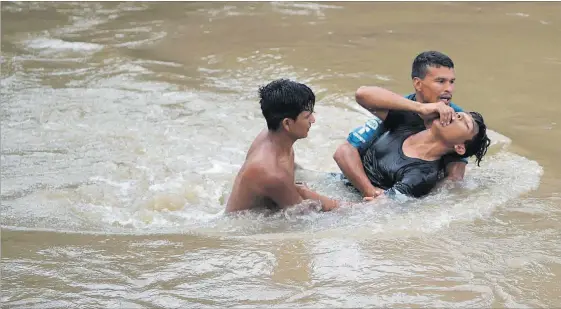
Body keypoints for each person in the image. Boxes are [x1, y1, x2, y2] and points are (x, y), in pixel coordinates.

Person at [334, 51, 470, 197]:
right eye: (441, 81)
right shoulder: (397, 109)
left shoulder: (455, 119)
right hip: (358, 185)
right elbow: (344, 152)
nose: (448, 89)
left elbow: (454, 179)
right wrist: (370, 192)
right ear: (418, 83)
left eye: (452, 82)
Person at [225, 79, 341, 213]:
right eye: (307, 116)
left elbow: (291, 171)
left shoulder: (272, 136)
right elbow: (306, 214)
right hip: (245, 224)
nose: (313, 120)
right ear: (287, 124)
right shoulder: (272, 174)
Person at [348, 111, 491, 200]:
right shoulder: (410, 122)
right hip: (339, 178)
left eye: (465, 123)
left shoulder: (421, 176)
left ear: (460, 147)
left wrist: (328, 204)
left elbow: (375, 208)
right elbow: (363, 95)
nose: (456, 115)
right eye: (459, 114)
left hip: (350, 196)